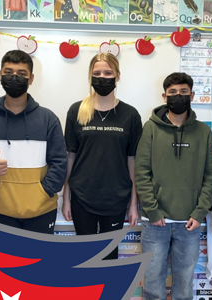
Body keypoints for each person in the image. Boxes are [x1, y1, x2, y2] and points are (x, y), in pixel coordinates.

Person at [135, 72, 212, 300]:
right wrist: (152, 210)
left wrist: (199, 213)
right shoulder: (150, 129)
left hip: (189, 223)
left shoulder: (203, 132)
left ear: (192, 95)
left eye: (183, 92)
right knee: (152, 282)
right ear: (164, 96)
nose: (177, 96)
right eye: (172, 92)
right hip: (155, 222)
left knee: (184, 284)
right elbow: (141, 172)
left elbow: (210, 176)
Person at [0, 50, 67, 234]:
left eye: (21, 74)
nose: (14, 77)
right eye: (8, 72)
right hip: (0, 211)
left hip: (42, 211)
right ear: (0, 75)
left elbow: (59, 163)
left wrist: (43, 191)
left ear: (31, 79)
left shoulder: (48, 119)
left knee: (41, 263)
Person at [61, 53, 142, 260]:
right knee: (85, 256)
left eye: (108, 72)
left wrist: (133, 204)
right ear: (90, 77)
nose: (102, 77)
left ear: (117, 76)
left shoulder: (130, 115)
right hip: (82, 196)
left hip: (116, 198)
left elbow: (132, 162)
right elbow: (70, 157)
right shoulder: (77, 111)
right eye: (97, 73)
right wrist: (66, 198)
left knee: (109, 257)